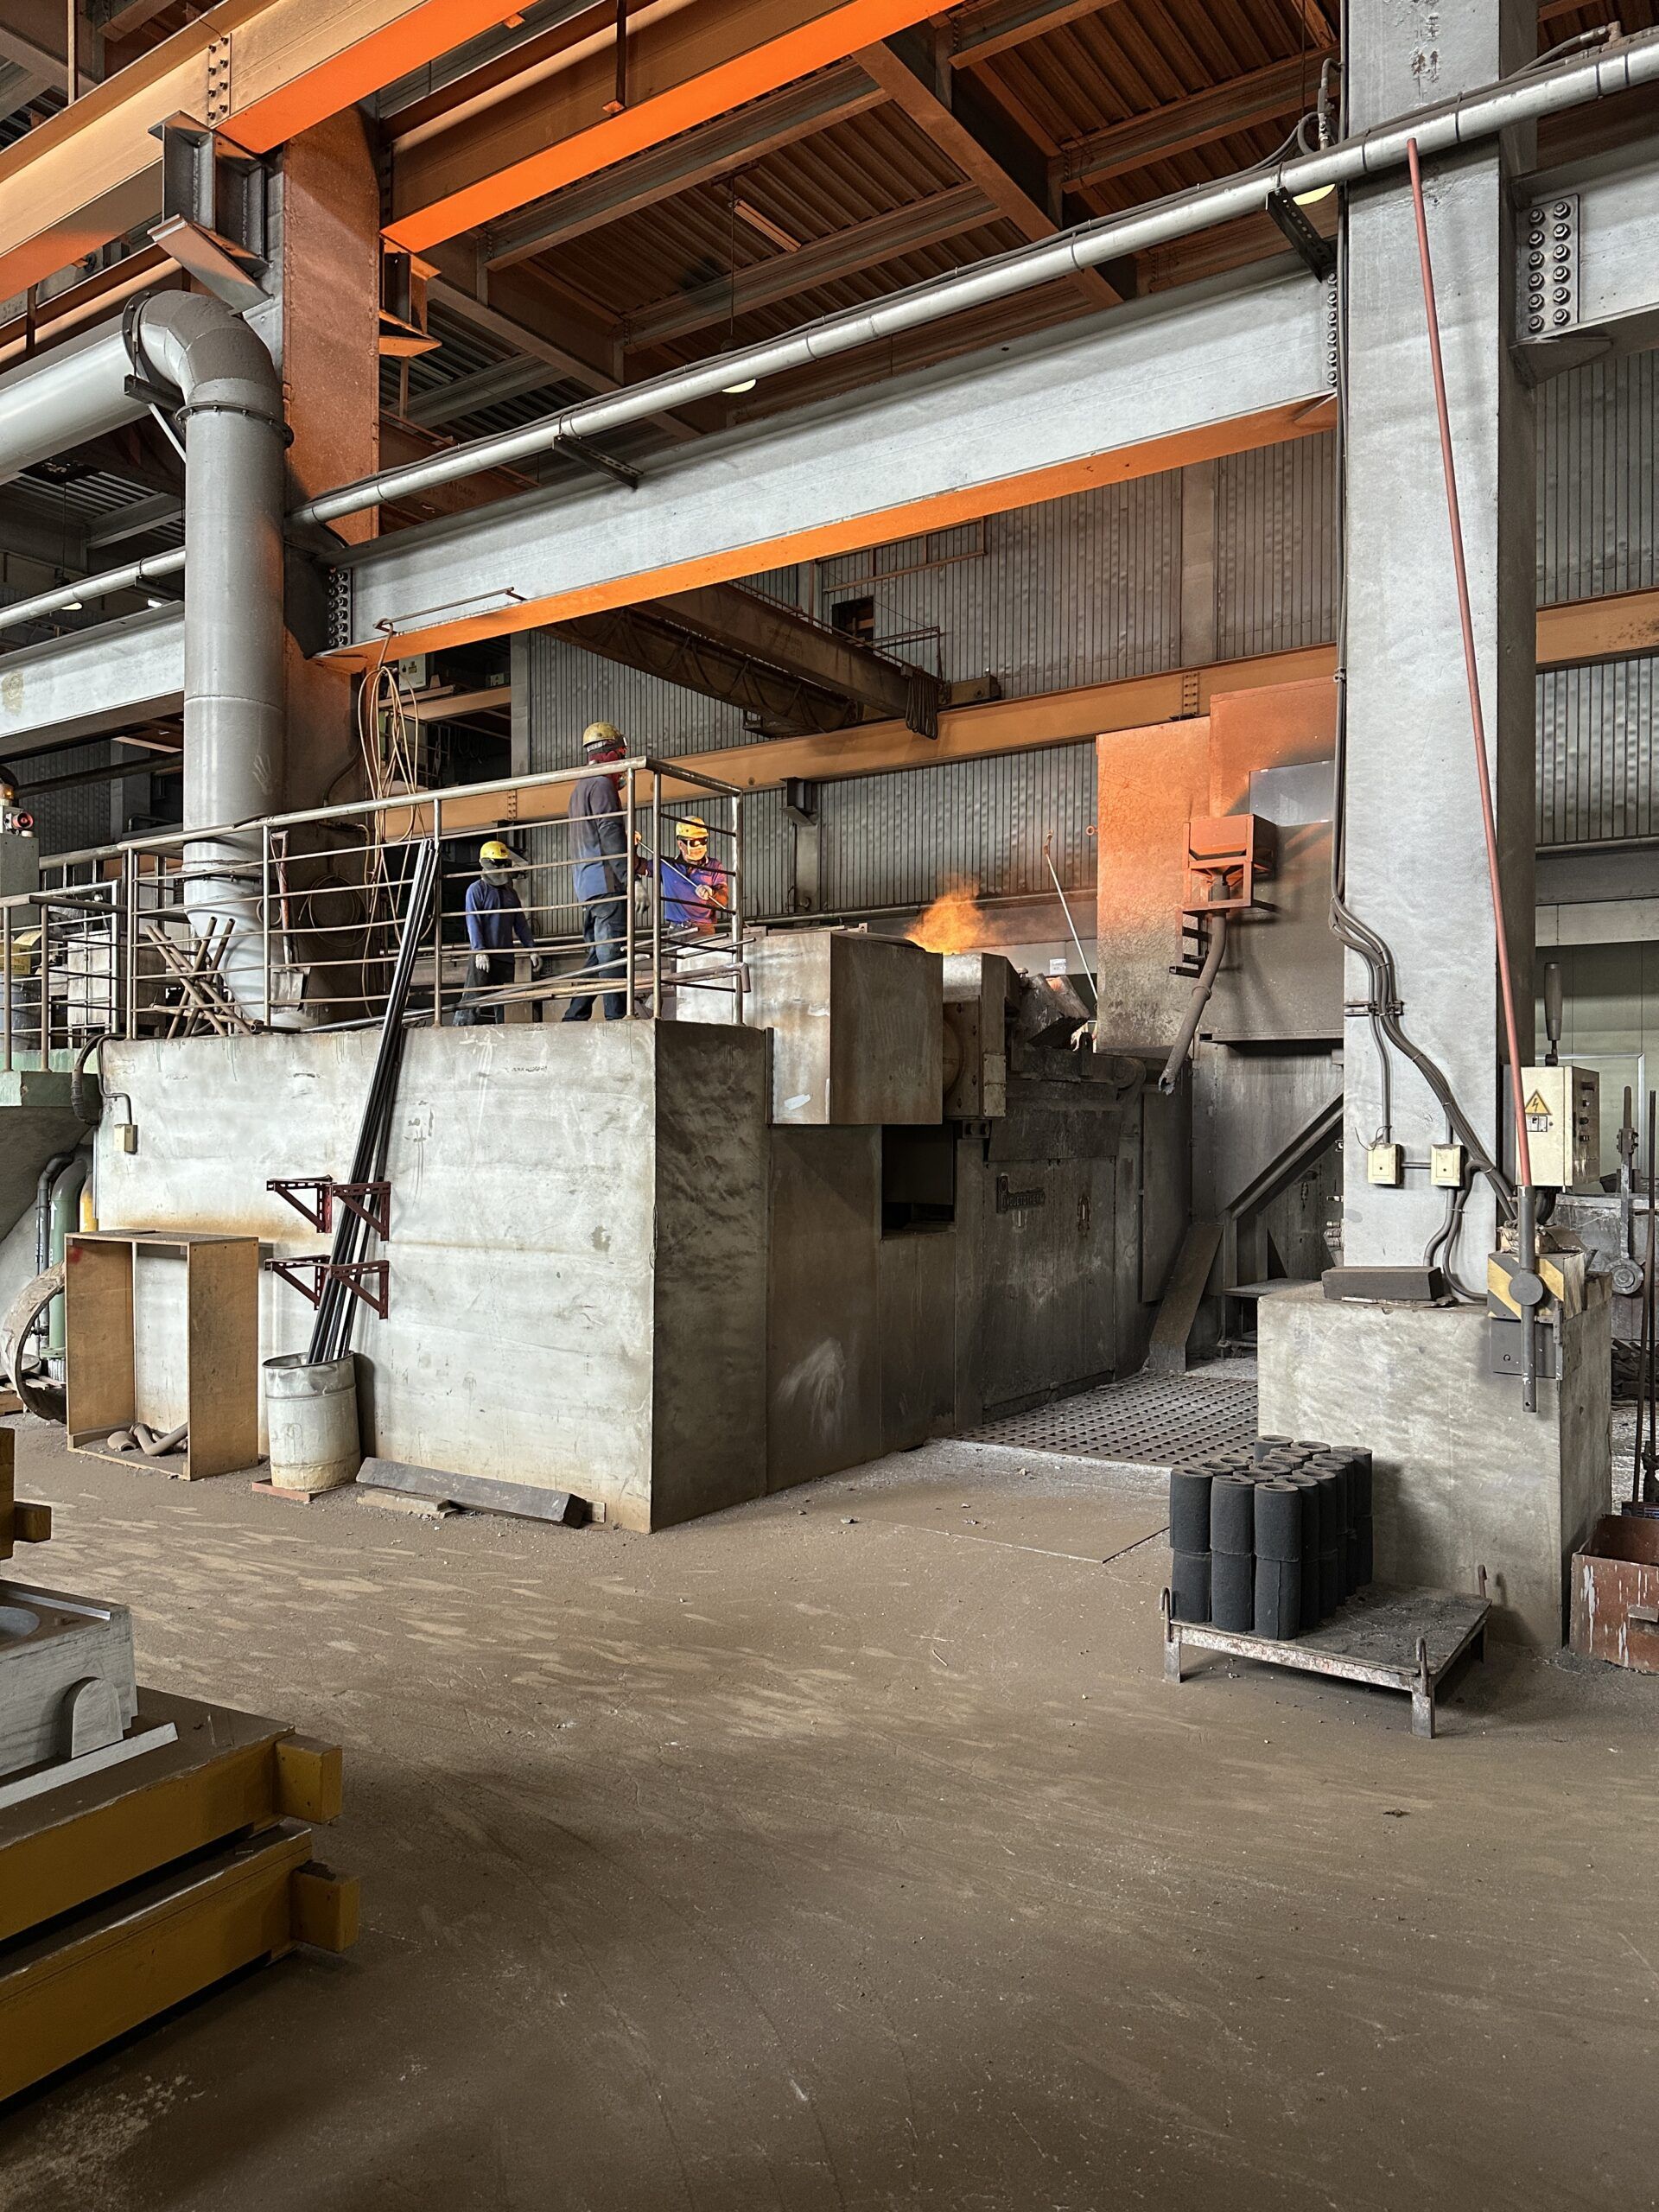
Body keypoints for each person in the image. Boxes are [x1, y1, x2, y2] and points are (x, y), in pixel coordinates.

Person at [563, 721, 630, 1021]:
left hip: (586, 886)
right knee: (613, 952)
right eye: (622, 756)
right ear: (611, 754)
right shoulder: (602, 784)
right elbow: (609, 832)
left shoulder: (579, 788)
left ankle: (574, 1015)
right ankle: (618, 1019)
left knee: (598, 955)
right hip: (606, 884)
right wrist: (630, 878)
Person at [456, 838, 540, 1025]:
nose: (502, 867)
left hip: (505, 958)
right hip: (485, 956)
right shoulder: (476, 890)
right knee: (472, 1000)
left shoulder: (511, 894)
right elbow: (473, 922)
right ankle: (458, 1031)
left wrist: (532, 949)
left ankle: (503, 1034)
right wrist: (479, 951)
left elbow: (520, 924)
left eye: (504, 863)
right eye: (498, 863)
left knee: (504, 1005)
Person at [655, 817, 729, 937]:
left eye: (703, 840)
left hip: (703, 930)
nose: (699, 846)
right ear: (680, 844)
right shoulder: (667, 866)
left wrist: (712, 893)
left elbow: (723, 898)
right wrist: (631, 844)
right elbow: (637, 865)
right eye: (694, 842)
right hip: (676, 931)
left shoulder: (714, 866)